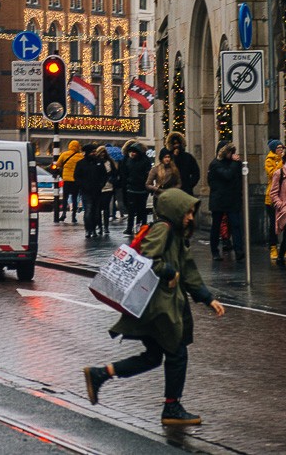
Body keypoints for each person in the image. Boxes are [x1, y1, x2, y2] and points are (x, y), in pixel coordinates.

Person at [82, 187, 226, 427]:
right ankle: (172, 408)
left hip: (156, 306)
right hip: (159, 307)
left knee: (153, 357)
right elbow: (149, 256)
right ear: (175, 209)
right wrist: (169, 271)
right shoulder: (163, 229)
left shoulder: (177, 234)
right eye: (187, 212)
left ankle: (100, 374)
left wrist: (206, 297)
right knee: (177, 352)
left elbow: (188, 270)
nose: (191, 217)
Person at [206, 144, 244, 262]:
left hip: (232, 199)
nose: (232, 154)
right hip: (219, 200)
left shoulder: (233, 163)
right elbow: (227, 175)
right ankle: (215, 251)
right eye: (229, 152)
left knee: (236, 225)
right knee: (216, 226)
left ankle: (239, 250)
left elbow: (238, 178)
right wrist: (235, 163)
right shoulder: (215, 164)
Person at [75, 145, 112, 238]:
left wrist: (101, 185)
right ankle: (88, 229)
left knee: (96, 212)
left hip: (97, 191)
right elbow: (77, 177)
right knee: (88, 210)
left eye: (95, 151)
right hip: (86, 191)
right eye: (92, 152)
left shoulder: (99, 163)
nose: (94, 153)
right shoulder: (80, 163)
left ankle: (94, 229)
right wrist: (83, 186)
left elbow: (104, 175)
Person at [122, 143, 152, 235]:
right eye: (131, 152)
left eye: (134, 152)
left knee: (141, 210)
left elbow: (148, 174)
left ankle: (141, 227)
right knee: (131, 210)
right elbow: (124, 172)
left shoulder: (145, 161)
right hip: (131, 188)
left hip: (141, 189)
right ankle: (130, 228)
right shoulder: (128, 160)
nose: (132, 154)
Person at [263, 139, 283, 261]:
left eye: (282, 148)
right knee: (274, 223)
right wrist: (282, 162)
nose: (281, 150)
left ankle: (285, 248)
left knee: (285, 224)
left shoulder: (285, 159)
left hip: (284, 195)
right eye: (279, 148)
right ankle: (273, 247)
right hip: (272, 196)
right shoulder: (269, 160)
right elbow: (273, 174)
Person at [55, 139, 84, 223]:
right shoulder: (80, 156)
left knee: (65, 198)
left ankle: (63, 214)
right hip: (76, 180)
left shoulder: (64, 154)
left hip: (67, 180)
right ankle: (73, 216)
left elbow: (58, 164)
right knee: (75, 198)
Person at [167, 132, 200, 197]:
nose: (176, 146)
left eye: (178, 143)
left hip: (185, 189)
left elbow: (196, 173)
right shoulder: (168, 157)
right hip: (171, 190)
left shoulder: (188, 157)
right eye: (174, 144)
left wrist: (189, 185)